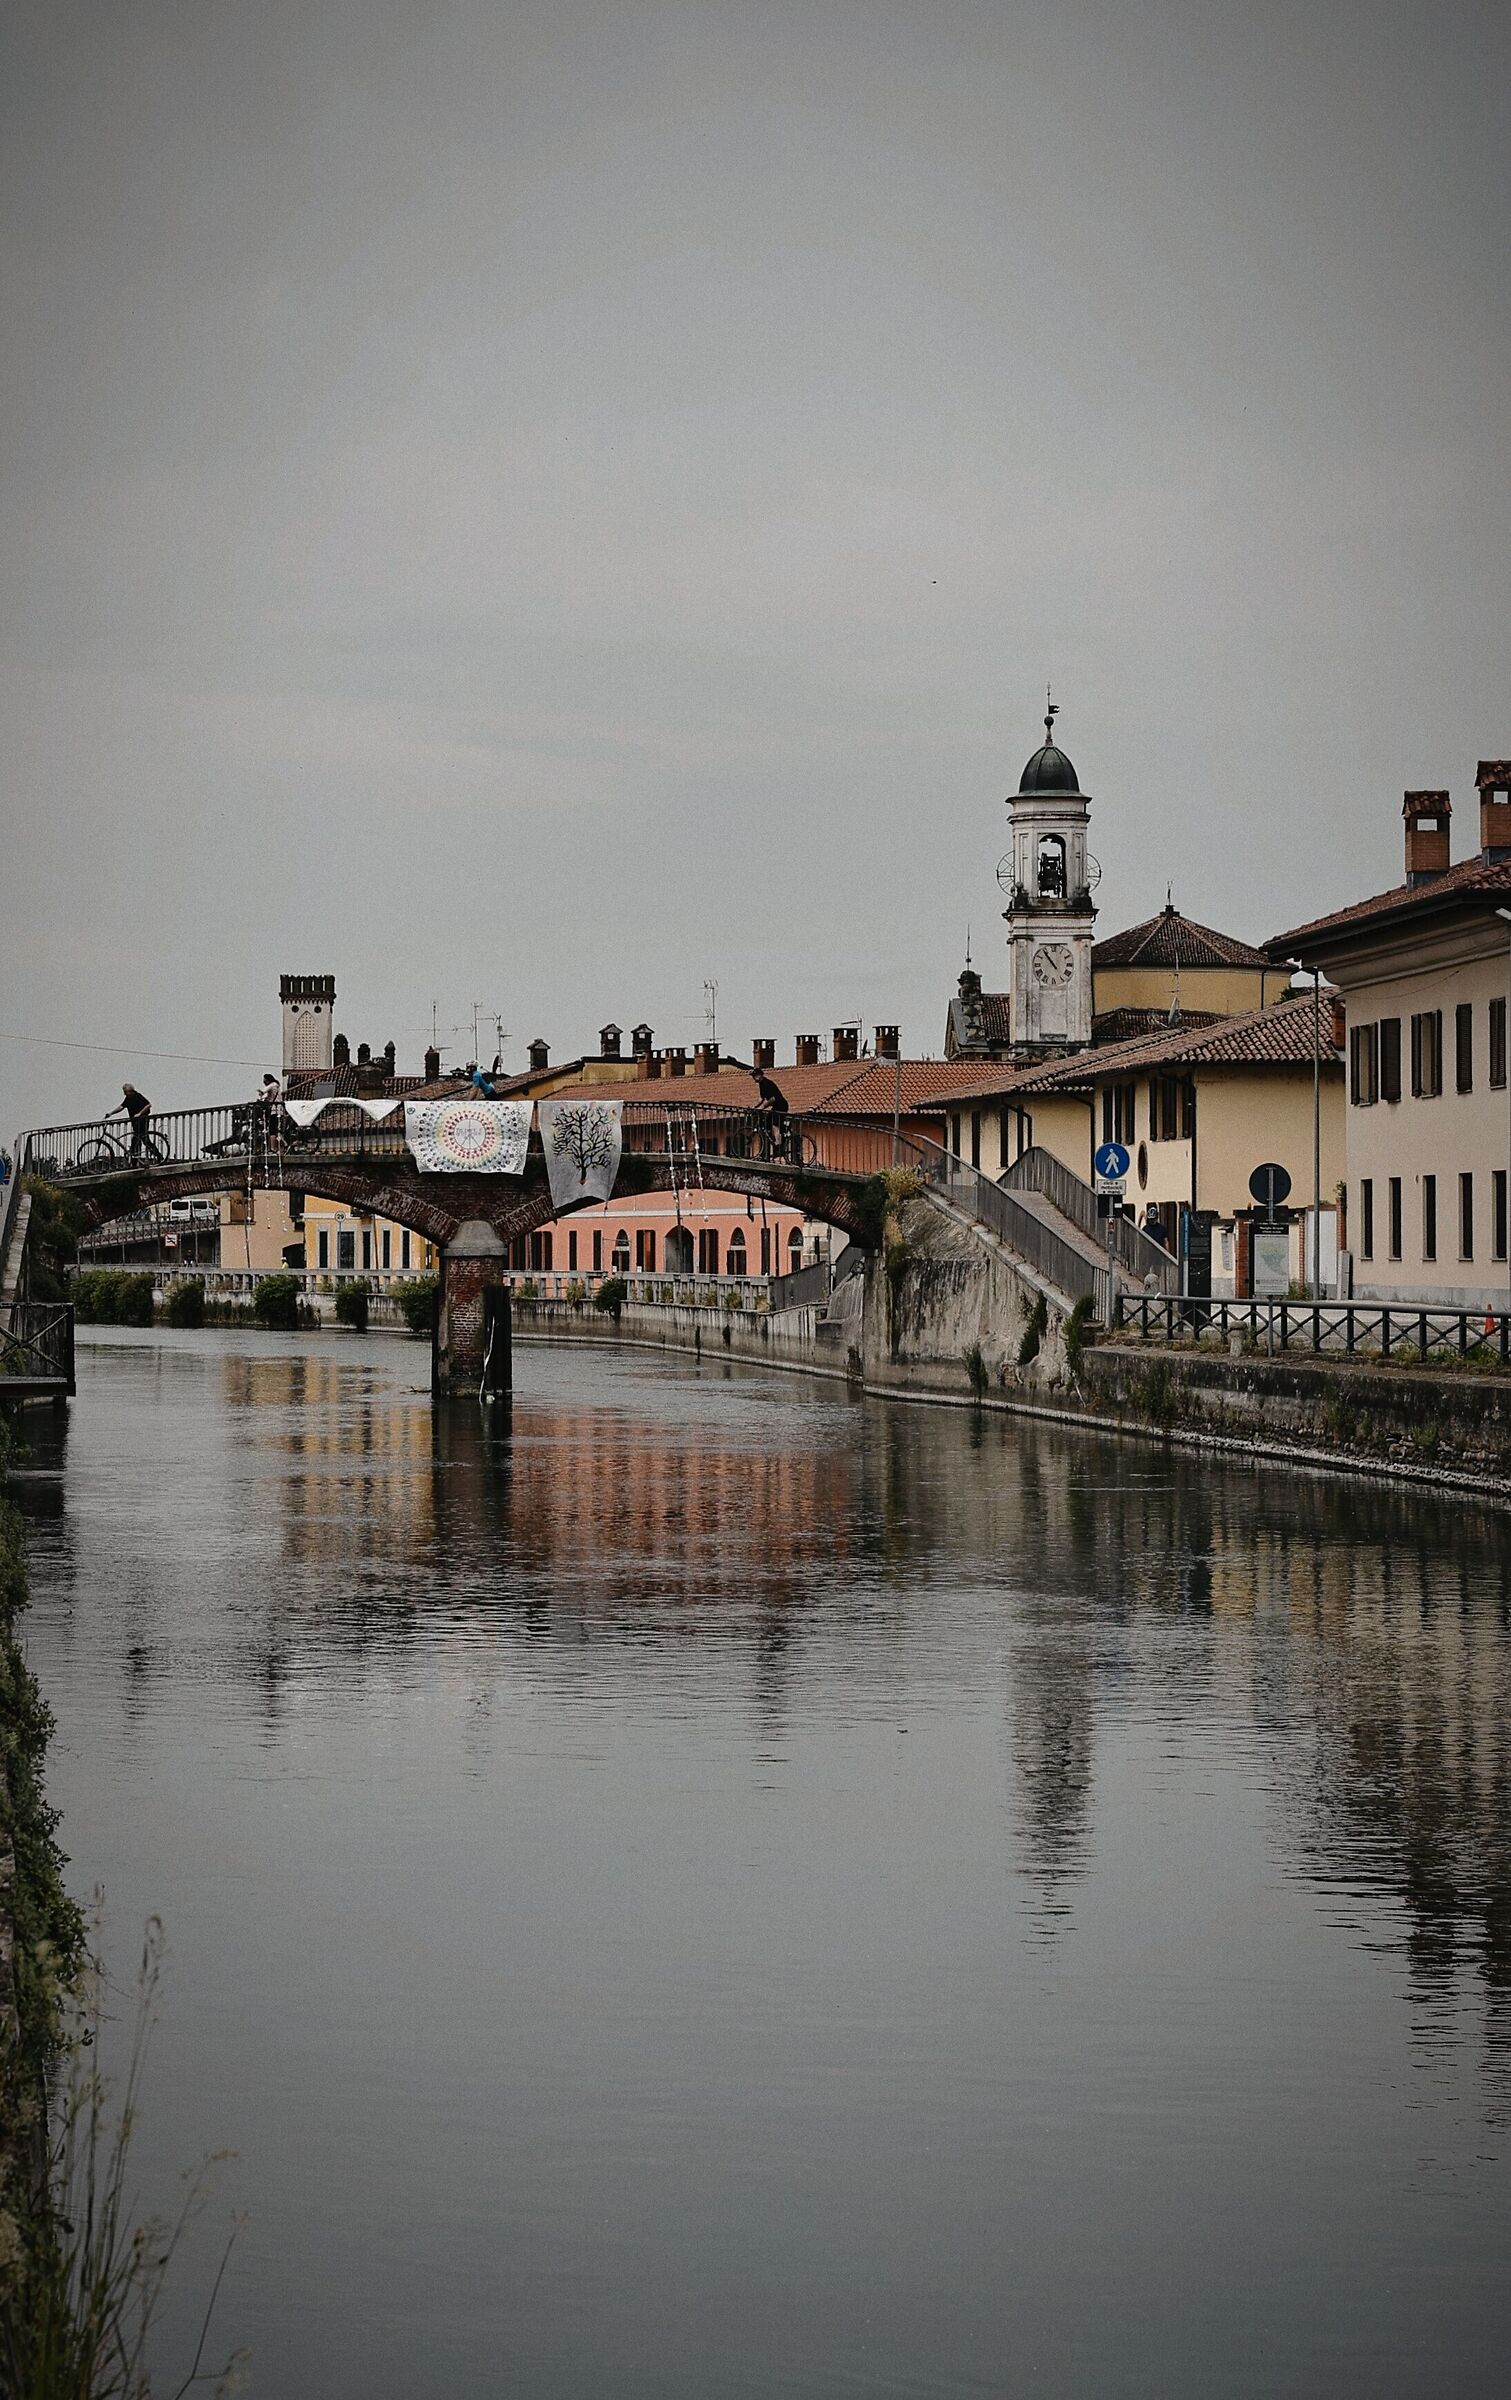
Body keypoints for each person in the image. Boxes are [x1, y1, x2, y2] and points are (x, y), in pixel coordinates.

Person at [107, 1082, 153, 1161]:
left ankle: (157, 1157)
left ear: (131, 1091)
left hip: (142, 1121)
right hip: (135, 1123)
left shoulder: (138, 1096)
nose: (125, 1094)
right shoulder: (128, 1098)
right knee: (140, 1141)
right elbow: (122, 1106)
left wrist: (139, 1113)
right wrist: (111, 1113)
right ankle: (156, 1157)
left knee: (139, 1141)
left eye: (125, 1092)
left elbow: (148, 1105)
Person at [752, 1066, 790, 1158]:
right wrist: (755, 1107)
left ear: (760, 1075)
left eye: (755, 1076)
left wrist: (762, 1107)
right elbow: (761, 1098)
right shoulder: (761, 1084)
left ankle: (778, 1145)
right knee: (768, 1121)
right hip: (776, 1106)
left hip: (781, 1105)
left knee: (775, 1125)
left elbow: (772, 1099)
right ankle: (776, 1140)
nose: (754, 1078)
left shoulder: (767, 1083)